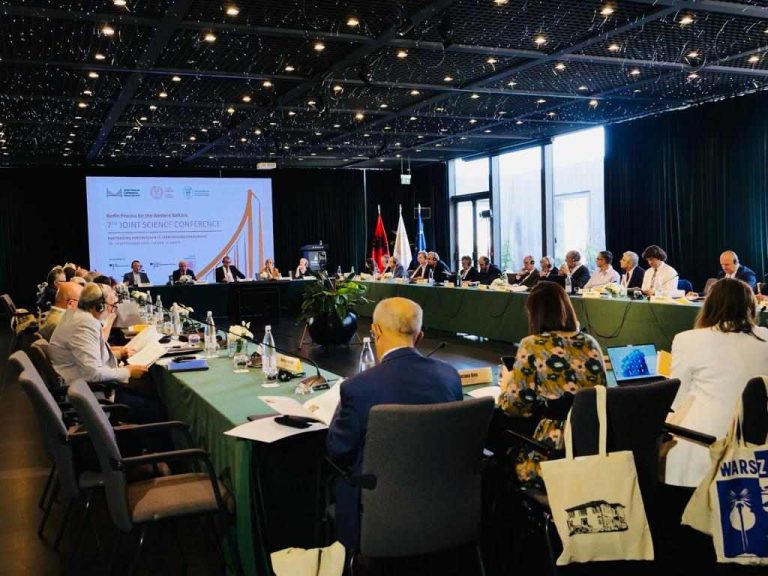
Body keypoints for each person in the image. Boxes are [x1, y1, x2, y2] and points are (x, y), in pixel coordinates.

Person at [326, 297, 462, 550]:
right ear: (419, 336)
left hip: (375, 513)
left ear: (375, 331)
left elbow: (338, 451)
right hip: (444, 506)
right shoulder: (450, 377)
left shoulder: (357, 388)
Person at [660, 278, 768, 567]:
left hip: (699, 448)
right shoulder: (766, 338)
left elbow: (677, 396)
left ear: (709, 305)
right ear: (751, 306)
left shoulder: (688, 339)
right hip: (756, 450)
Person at [498, 281, 607, 490]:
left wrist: (505, 385)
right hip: (594, 443)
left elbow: (515, 406)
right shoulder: (590, 342)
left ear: (534, 314)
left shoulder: (532, 344)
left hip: (555, 450)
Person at [48, 283, 163, 423]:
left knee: (148, 389)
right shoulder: (83, 325)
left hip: (90, 388)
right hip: (95, 397)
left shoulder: (77, 316)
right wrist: (127, 372)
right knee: (156, 408)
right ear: (99, 306)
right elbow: (93, 374)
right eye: (112, 306)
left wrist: (120, 355)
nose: (112, 311)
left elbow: (88, 356)